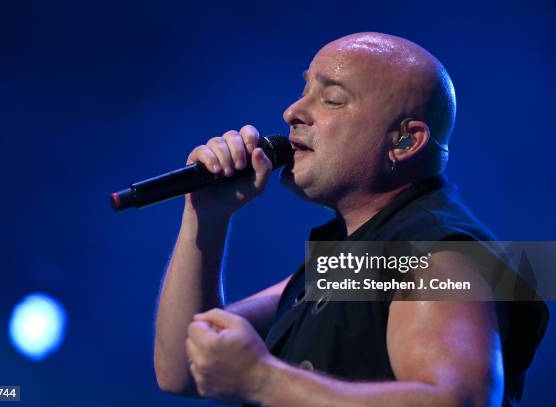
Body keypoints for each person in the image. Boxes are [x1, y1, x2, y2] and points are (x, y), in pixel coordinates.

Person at [153, 32, 548, 406]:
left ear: (406, 141)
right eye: (305, 90)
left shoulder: (442, 257)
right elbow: (185, 367)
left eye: (333, 99)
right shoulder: (363, 259)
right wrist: (206, 218)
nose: (293, 112)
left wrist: (263, 380)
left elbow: (460, 402)